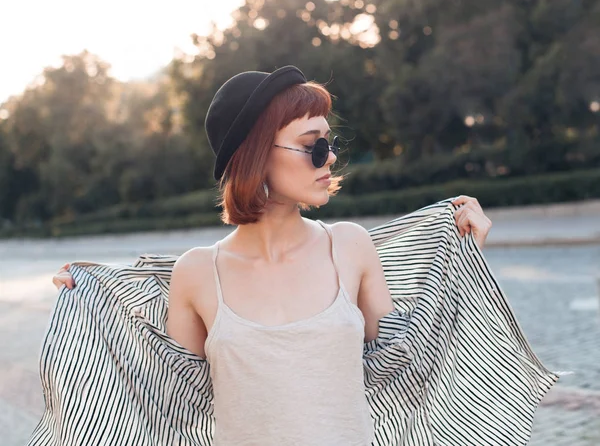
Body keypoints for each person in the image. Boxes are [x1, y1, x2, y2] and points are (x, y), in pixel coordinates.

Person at [42, 65, 555, 446]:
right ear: (256, 155)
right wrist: (93, 300)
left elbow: (411, 362)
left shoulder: (350, 245)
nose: (329, 158)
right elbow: (169, 401)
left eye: (329, 144)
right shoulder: (197, 273)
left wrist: (465, 258)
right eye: (312, 145)